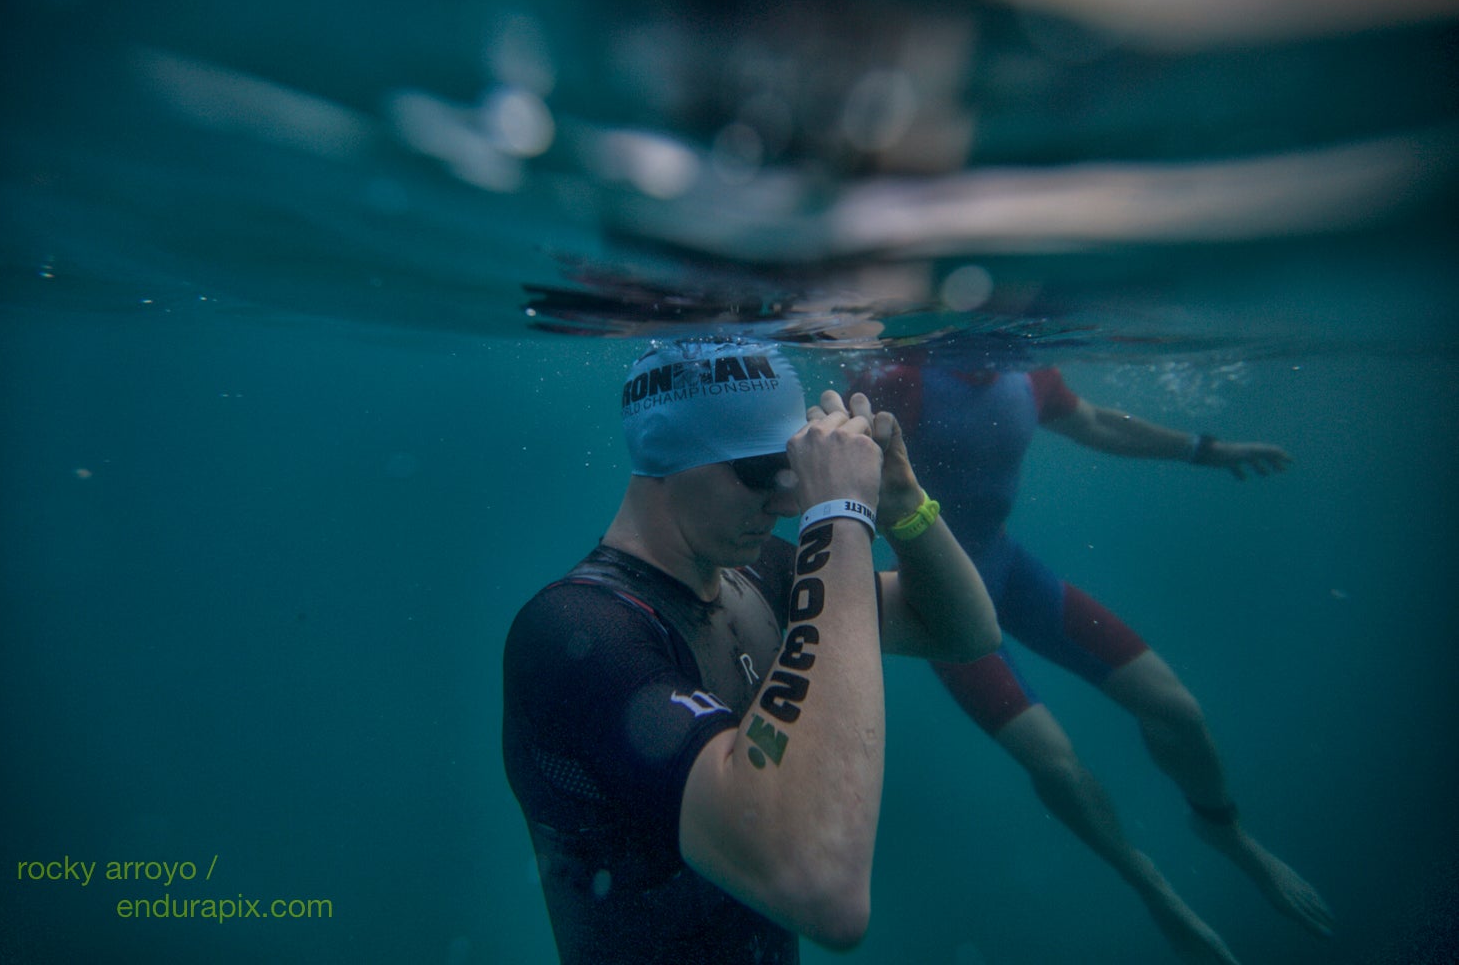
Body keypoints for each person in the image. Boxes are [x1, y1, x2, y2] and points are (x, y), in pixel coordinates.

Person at [503, 339, 1002, 964]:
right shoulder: (575, 635)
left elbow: (963, 630)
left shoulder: (760, 571)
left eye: (796, 470)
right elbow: (824, 893)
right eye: (763, 472)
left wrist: (900, 501)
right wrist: (840, 516)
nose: (790, 502)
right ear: (666, 454)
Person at [857, 358, 1334, 964]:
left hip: (1007, 570)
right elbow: (845, 464)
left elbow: (1098, 425)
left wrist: (1205, 450)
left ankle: (1223, 829)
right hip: (937, 603)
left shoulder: (1028, 372)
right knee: (1055, 763)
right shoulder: (904, 375)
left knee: (1177, 710)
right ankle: (1153, 887)